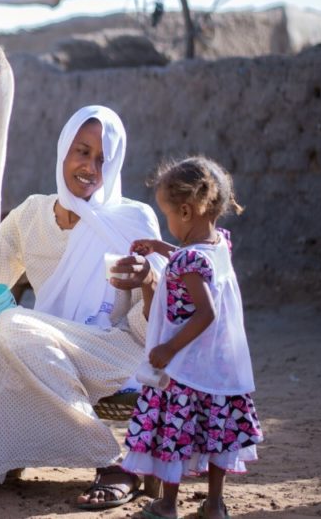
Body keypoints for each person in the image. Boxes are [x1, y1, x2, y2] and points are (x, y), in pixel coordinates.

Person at [0, 105, 167, 511]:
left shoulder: (131, 220)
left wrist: (149, 281)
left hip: (113, 349)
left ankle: (114, 463)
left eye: (103, 159)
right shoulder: (33, 214)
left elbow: (154, 323)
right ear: (63, 151)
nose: (90, 167)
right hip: (42, 346)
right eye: (82, 152)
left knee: (14, 327)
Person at [121, 156, 263, 519]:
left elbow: (206, 310)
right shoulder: (220, 245)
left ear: (185, 210)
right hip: (220, 368)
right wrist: (161, 247)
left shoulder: (187, 263)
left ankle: (168, 505)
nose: (167, 224)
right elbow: (192, 258)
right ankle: (214, 505)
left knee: (176, 435)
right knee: (217, 433)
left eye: (167, 215)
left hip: (186, 367)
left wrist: (168, 347)